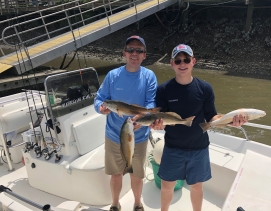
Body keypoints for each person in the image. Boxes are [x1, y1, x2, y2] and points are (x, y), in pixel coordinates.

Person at [151, 44, 248, 211]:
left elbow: (212, 116)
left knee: (196, 187)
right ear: (172, 63)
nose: (182, 64)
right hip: (173, 148)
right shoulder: (163, 90)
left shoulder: (205, 88)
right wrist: (156, 124)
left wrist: (231, 121)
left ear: (193, 61)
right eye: (178, 60)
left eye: (186, 59)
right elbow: (158, 117)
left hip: (199, 148)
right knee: (167, 187)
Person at [94, 35, 157, 211]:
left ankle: (137, 204)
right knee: (115, 175)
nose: (134, 53)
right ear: (124, 53)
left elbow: (151, 104)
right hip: (114, 135)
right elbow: (99, 99)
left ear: (145, 55)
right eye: (130, 49)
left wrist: (142, 120)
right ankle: (115, 204)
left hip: (140, 136)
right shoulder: (113, 76)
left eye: (139, 50)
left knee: (137, 175)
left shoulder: (149, 76)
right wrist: (100, 108)